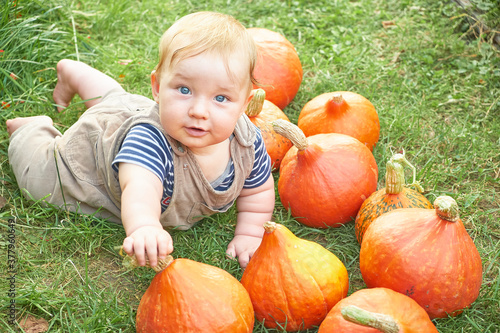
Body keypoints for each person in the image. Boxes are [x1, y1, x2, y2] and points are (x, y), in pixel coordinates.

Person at [6, 11, 275, 269]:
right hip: (93, 155)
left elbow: (258, 191)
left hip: (128, 109)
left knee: (116, 100)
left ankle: (75, 74)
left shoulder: (246, 143)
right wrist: (145, 225)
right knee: (39, 179)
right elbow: (140, 186)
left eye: (220, 98)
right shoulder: (150, 141)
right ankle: (30, 130)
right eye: (184, 90)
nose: (199, 111)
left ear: (244, 105)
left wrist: (251, 233)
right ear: (158, 88)